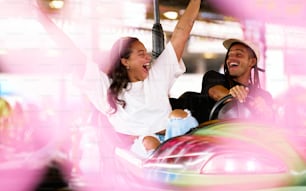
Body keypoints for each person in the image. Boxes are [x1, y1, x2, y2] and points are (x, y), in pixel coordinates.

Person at [80, 0, 201, 158]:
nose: (148, 58)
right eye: (141, 54)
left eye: (146, 52)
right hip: (142, 152)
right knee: (149, 142)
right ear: (125, 62)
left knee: (178, 115)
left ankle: (187, 163)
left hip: (175, 141)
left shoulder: (157, 76)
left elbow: (182, 31)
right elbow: (74, 56)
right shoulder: (107, 90)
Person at [201, 38, 274, 121]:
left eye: (239, 55)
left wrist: (266, 111)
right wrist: (231, 95)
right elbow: (215, 92)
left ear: (252, 62)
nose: (231, 59)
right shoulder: (214, 77)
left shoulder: (264, 95)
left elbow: (271, 120)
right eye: (229, 55)